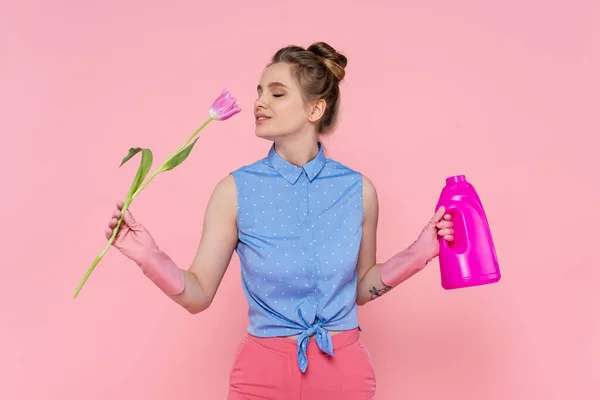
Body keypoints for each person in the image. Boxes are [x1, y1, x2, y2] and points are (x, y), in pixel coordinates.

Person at [106, 41, 454, 399]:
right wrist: (149, 256)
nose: (259, 102)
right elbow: (198, 294)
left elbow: (361, 289)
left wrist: (419, 253)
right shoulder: (234, 191)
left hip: (344, 374)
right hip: (261, 376)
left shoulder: (358, 190)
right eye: (259, 92)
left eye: (276, 94)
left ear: (315, 108)